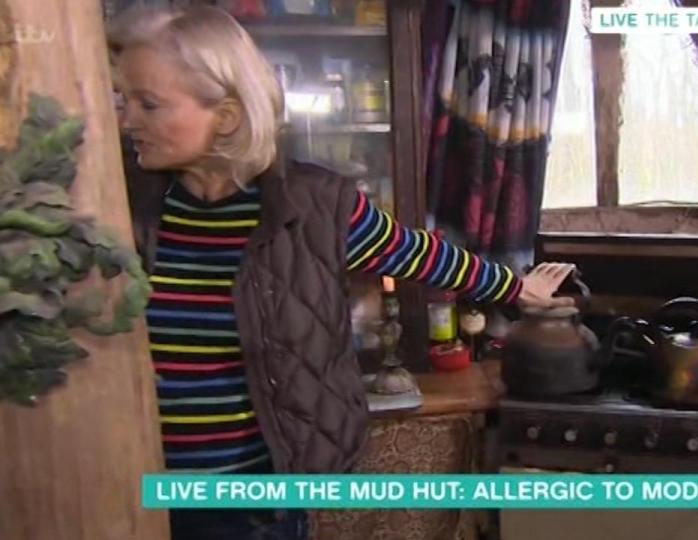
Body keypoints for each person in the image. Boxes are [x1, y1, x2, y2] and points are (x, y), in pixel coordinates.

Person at [107, 5, 575, 540]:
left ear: (228, 115)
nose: (127, 121)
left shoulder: (317, 205)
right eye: (124, 99)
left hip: (258, 499)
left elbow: (418, 254)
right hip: (132, 486)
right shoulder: (124, 206)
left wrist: (517, 287)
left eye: (149, 104)